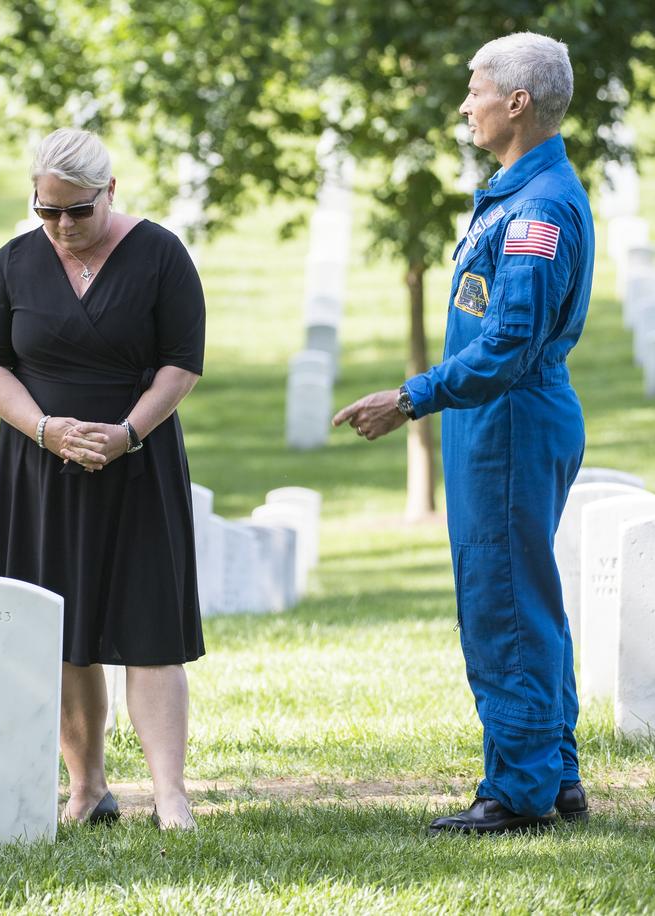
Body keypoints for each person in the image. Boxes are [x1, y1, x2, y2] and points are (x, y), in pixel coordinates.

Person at [333, 32, 592, 834]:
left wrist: (409, 398)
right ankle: (554, 775)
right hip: (499, 420)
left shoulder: (538, 207)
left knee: (503, 602)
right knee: (524, 595)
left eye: (474, 88)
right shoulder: (521, 190)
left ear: (516, 103)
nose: (463, 103)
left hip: (508, 419)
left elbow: (508, 346)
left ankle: (516, 793)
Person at [0, 128, 205, 830]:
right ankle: (87, 787)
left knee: (149, 627)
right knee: (61, 633)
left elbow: (181, 361)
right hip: (40, 468)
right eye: (48, 211)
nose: (63, 227)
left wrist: (129, 432)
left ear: (109, 192)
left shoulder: (159, 254)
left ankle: (170, 794)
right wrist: (45, 430)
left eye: (78, 211)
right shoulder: (12, 263)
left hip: (139, 462)